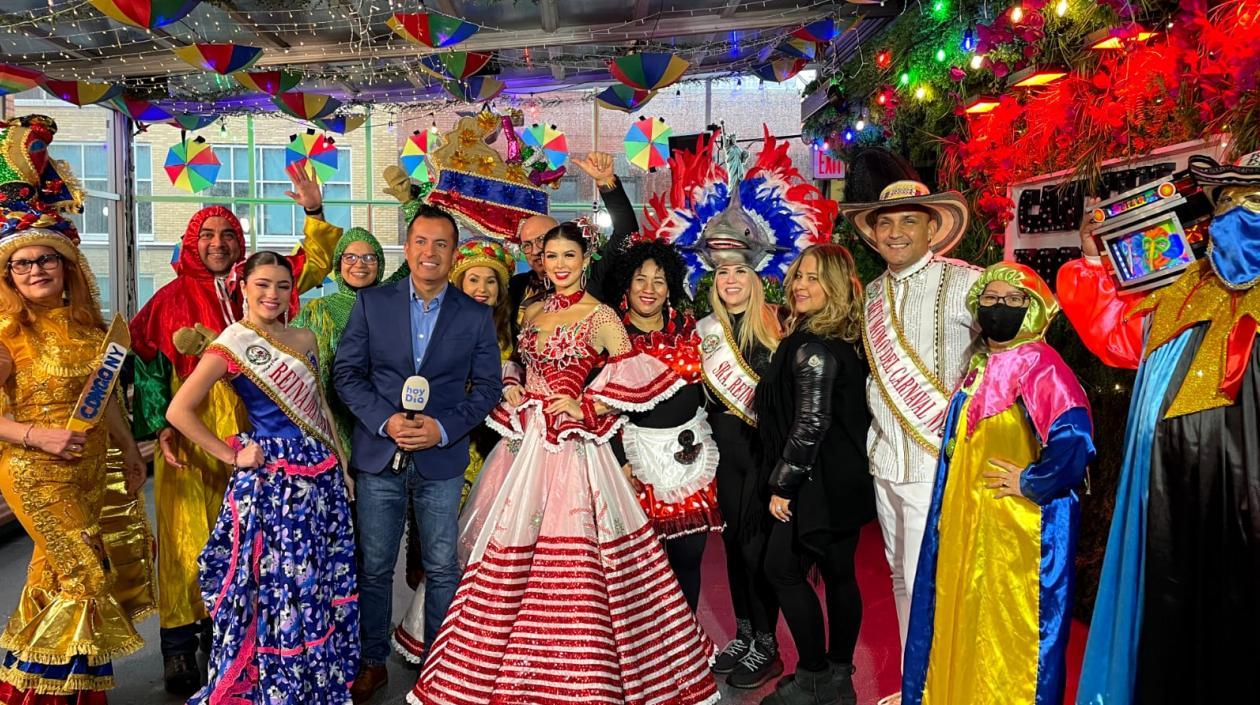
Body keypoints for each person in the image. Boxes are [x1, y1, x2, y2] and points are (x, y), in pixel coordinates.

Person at [410, 222, 718, 705]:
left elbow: (631, 375)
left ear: (584, 260)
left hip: (573, 448)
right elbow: (518, 362)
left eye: (568, 256)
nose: (558, 265)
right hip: (522, 441)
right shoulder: (531, 309)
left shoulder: (601, 317)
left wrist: (588, 406)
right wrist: (511, 382)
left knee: (576, 555)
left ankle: (581, 671)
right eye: (550, 256)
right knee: (504, 547)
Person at [129, 165, 344, 695]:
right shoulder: (170, 297)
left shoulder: (268, 297)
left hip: (258, 433)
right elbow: (149, 364)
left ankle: (250, 644)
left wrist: (315, 212)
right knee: (187, 541)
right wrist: (159, 427)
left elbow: (311, 264)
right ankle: (180, 648)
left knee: (262, 558)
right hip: (194, 437)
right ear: (191, 241)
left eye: (229, 234)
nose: (219, 243)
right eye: (208, 234)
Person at [1060, 154, 1260, 705]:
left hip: (1249, 503)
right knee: (1174, 615)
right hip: (1171, 500)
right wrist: (1096, 256)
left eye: (1256, 200)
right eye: (1229, 200)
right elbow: (1119, 333)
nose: (1240, 215)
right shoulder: (1183, 288)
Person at [166, 251, 359, 704]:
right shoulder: (232, 343)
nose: (273, 294)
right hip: (274, 479)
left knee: (318, 578)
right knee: (281, 582)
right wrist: (232, 455)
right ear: (244, 288)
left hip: (320, 472)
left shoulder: (305, 337)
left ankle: (315, 680)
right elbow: (179, 411)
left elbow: (320, 409)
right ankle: (278, 680)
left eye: (282, 286)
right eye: (262, 285)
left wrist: (343, 467)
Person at [0, 114, 148, 704]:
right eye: (22, 263)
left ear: (67, 268)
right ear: (8, 274)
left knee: (51, 576)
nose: (35, 270)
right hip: (33, 469)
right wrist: (39, 437)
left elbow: (104, 398)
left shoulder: (91, 330)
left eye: (46, 260)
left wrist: (128, 453)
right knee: (85, 571)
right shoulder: (7, 332)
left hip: (89, 468)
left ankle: (32, 691)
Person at [901, 262, 1094, 705]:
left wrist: (1032, 482)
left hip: (1017, 531)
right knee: (965, 616)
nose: (999, 306)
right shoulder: (980, 363)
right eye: (990, 298)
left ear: (1032, 308)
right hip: (969, 519)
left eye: (1012, 299)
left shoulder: (1040, 364)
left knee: (1011, 631)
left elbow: (1075, 436)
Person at [334, 204, 503, 704]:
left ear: (454, 254)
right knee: (375, 564)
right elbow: (346, 374)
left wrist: (444, 428)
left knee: (442, 565)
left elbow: (488, 387)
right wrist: (385, 420)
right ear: (406, 249)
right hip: (379, 455)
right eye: (421, 243)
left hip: (441, 457)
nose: (430, 253)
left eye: (442, 245)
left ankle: (439, 663)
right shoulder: (372, 304)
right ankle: (371, 661)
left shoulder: (473, 314)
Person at [836, 179, 980, 669]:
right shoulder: (870, 294)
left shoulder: (968, 282)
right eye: (886, 223)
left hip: (935, 455)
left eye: (909, 221)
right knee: (900, 573)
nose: (895, 233)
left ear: (932, 228)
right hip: (886, 458)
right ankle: (913, 678)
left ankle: (938, 684)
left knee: (929, 578)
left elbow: (1014, 352)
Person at [755, 244, 875, 705]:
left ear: (837, 287)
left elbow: (810, 423)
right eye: (799, 276)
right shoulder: (840, 339)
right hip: (843, 476)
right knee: (839, 573)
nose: (801, 286)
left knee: (781, 569)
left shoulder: (812, 347)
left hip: (815, 480)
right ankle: (839, 678)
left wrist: (783, 484)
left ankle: (813, 676)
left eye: (814, 278)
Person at [390, 236, 519, 664]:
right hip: (443, 449)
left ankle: (478, 640)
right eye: (473, 279)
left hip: (495, 454)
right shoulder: (429, 324)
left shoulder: (512, 334)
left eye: (492, 282)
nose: (482, 288)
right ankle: (439, 640)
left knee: (485, 550)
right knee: (442, 553)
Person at [608, 238, 723, 612]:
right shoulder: (611, 336)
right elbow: (598, 407)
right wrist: (618, 461)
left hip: (690, 456)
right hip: (636, 461)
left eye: (659, 281)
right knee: (640, 568)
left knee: (688, 559)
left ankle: (686, 646)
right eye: (641, 279)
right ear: (626, 284)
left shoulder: (692, 329)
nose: (649, 289)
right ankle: (648, 653)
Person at [508, 151, 638, 322]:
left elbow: (626, 234)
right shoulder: (517, 286)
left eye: (542, 240)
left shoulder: (592, 279)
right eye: (527, 244)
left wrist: (606, 183)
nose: (536, 250)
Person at [293, 226, 385, 453]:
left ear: (380, 263)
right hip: (331, 421)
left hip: (382, 418)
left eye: (369, 257)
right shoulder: (319, 309)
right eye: (350, 257)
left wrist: (411, 204)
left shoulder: (392, 304)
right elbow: (287, 350)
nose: (359, 264)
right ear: (338, 263)